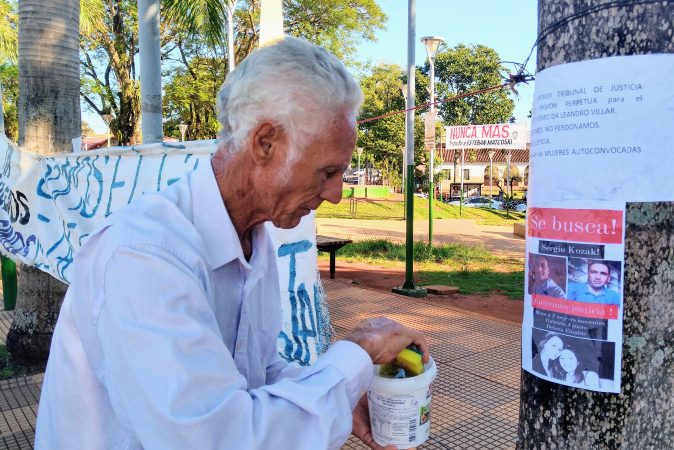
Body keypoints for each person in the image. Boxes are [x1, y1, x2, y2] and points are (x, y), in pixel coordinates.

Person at [35, 37, 427, 450]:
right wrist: (357, 350)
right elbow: (216, 438)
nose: (335, 194)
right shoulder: (144, 255)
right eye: (327, 172)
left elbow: (255, 374)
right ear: (265, 143)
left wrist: (340, 397)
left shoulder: (252, 241)